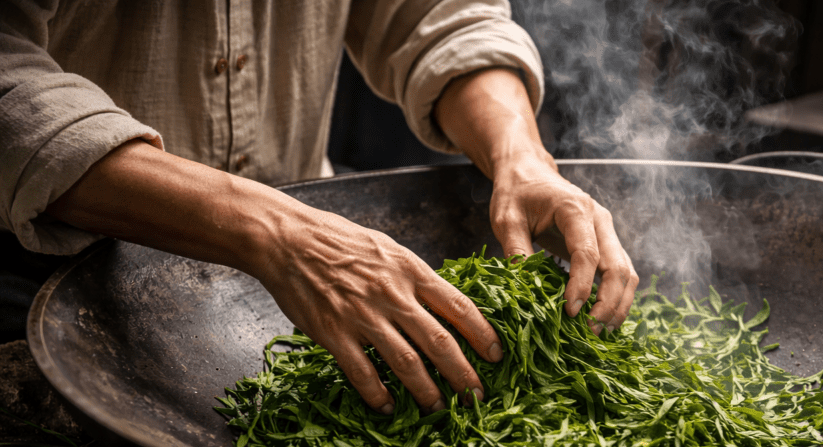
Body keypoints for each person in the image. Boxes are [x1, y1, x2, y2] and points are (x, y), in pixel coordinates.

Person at [0, 0, 639, 415]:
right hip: (47, 267)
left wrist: (520, 156)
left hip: (324, 254)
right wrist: (280, 231)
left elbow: (436, 15)